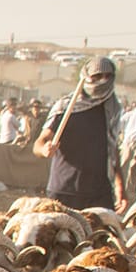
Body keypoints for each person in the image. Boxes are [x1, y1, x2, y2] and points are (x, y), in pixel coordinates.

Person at [34, 55, 127, 213]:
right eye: (98, 76)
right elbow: (39, 143)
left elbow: (112, 151)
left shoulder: (112, 109)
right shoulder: (65, 107)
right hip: (65, 189)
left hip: (100, 192)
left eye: (108, 76)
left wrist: (120, 186)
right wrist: (45, 150)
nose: (103, 80)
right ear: (86, 77)